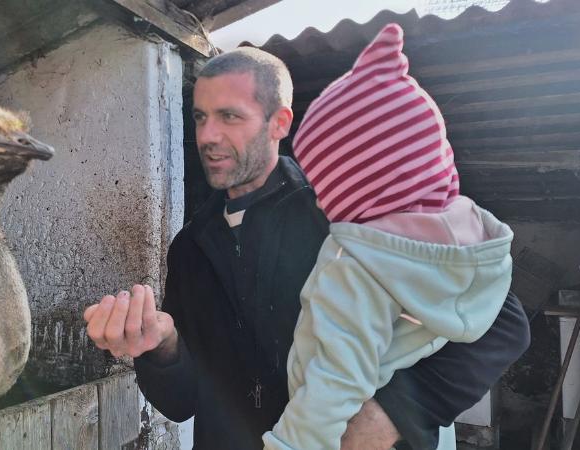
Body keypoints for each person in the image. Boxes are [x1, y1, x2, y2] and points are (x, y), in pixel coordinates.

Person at [84, 35, 530, 449]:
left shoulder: (350, 213)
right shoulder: (190, 247)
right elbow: (183, 402)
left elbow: (504, 325)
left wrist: (391, 413)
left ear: (280, 122)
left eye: (230, 116)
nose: (207, 136)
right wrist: (162, 346)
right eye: (200, 117)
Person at [261, 24, 513, 450]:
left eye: (326, 186)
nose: (321, 204)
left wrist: (291, 444)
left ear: (362, 182)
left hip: (334, 433)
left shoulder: (358, 264)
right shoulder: (468, 248)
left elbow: (339, 375)